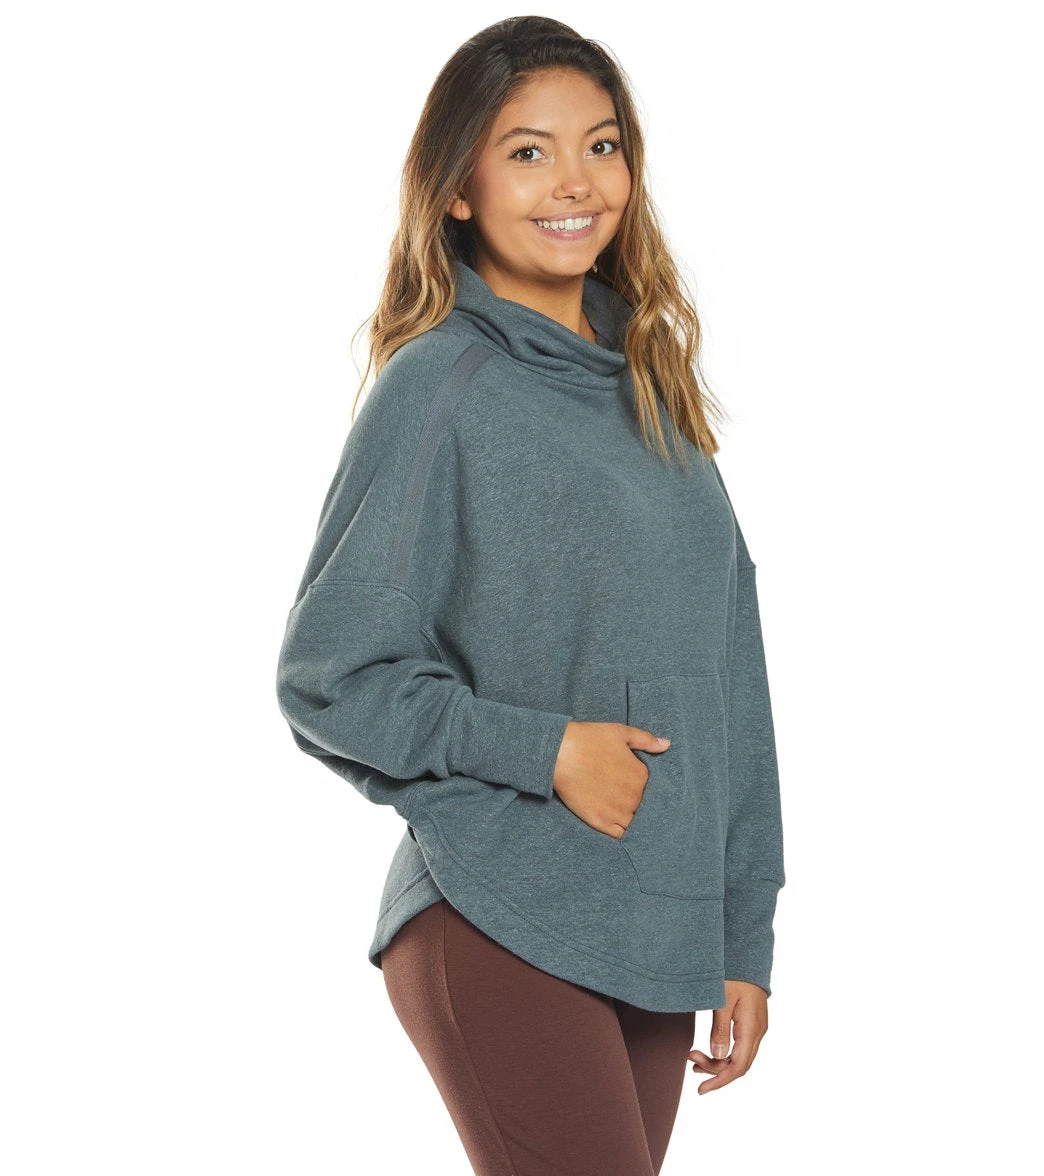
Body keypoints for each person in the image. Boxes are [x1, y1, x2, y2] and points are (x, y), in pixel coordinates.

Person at [275, 15, 786, 1176]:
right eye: (527, 152)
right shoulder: (440, 384)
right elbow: (329, 675)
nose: (575, 182)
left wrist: (740, 926)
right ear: (458, 188)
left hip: (651, 929)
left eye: (601, 146)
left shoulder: (650, 389)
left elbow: (730, 673)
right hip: (501, 911)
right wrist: (547, 749)